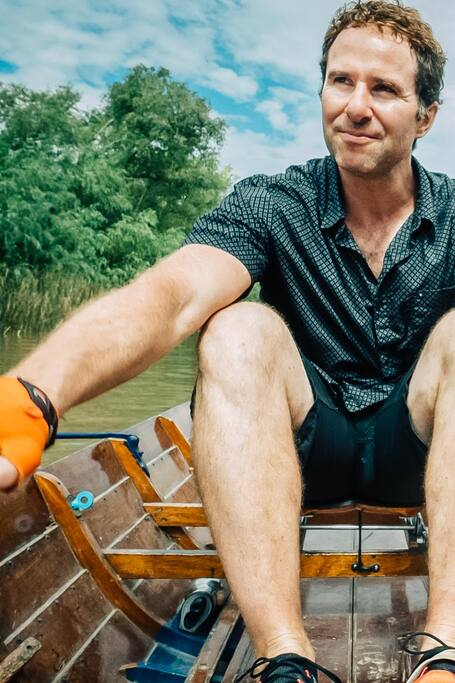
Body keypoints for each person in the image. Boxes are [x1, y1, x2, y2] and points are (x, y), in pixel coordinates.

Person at [1, 1, 455, 681]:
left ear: (425, 116)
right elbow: (174, 295)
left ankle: (443, 650)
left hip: (421, 456)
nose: (355, 107)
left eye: (384, 89)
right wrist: (33, 395)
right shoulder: (272, 203)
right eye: (340, 81)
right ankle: (283, 654)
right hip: (296, 453)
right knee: (236, 326)